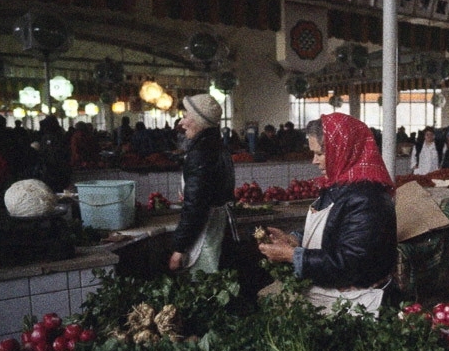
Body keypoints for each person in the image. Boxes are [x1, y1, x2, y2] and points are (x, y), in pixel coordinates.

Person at [258, 113, 397, 315]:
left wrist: (292, 256)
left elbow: (349, 265)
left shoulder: (367, 198)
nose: (314, 161)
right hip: (331, 293)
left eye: (320, 154)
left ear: (343, 150)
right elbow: (331, 230)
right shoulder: (337, 187)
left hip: (357, 303)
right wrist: (295, 240)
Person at [169, 94, 235, 274]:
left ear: (199, 121)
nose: (181, 123)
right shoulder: (217, 146)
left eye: (185, 116)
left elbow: (195, 206)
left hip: (205, 232)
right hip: (217, 227)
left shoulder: (201, 152)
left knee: (205, 290)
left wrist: (179, 248)